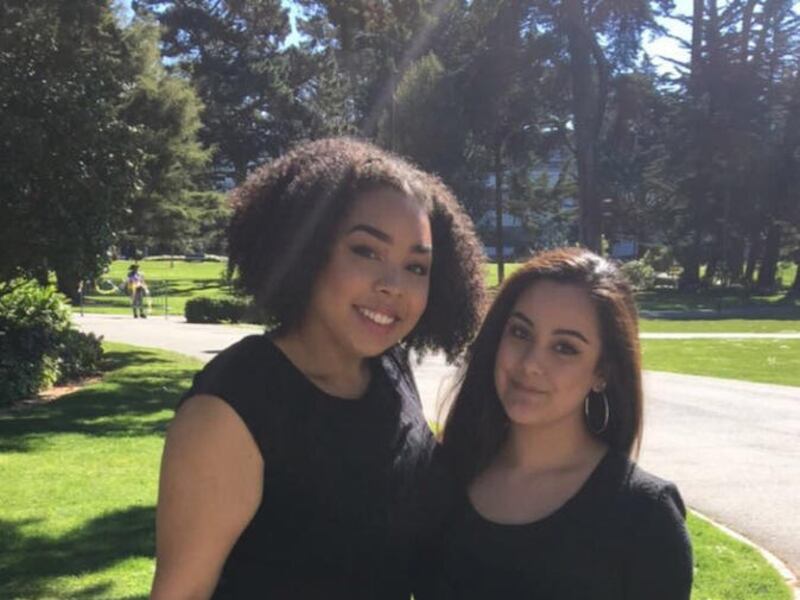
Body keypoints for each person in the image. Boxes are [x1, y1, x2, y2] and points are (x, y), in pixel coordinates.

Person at [150, 137, 486, 599]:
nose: (393, 285)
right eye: (366, 251)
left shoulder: (391, 368)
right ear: (307, 250)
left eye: (416, 267)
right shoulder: (233, 407)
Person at [420, 247, 693, 600]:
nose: (530, 364)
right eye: (520, 332)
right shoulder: (446, 475)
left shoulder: (645, 516)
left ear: (602, 372)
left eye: (565, 348)